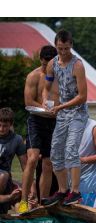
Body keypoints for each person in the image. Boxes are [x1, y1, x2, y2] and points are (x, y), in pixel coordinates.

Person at [41, 29, 89, 206]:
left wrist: (60, 106)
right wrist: (46, 100)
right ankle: (62, 191)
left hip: (78, 112)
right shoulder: (52, 64)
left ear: (71, 46)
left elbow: (82, 96)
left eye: (66, 49)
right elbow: (46, 87)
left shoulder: (78, 65)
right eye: (60, 48)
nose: (63, 52)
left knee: (70, 149)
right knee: (55, 152)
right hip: (61, 114)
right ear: (56, 46)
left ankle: (75, 192)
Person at [20, 45, 58, 213]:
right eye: (45, 65)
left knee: (48, 163)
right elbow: (28, 102)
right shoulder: (33, 76)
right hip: (36, 120)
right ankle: (23, 200)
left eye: (51, 65)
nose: (47, 68)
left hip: (53, 121)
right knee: (33, 158)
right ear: (41, 60)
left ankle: (43, 203)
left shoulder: (60, 77)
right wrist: (45, 109)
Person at [0, 108, 26, 214]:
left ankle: (23, 218)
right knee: (2, 176)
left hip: (6, 182)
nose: (1, 129)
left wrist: (30, 190)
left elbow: (26, 167)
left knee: (20, 199)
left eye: (5, 126)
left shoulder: (17, 139)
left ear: (11, 124)